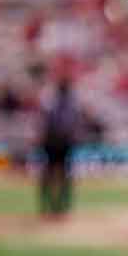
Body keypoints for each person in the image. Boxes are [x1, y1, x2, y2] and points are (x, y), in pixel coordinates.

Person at [37, 78, 80, 217]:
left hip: (53, 143)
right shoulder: (68, 106)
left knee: (51, 174)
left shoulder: (52, 105)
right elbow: (72, 126)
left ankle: (52, 205)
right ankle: (59, 205)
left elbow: (44, 125)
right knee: (61, 175)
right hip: (61, 143)